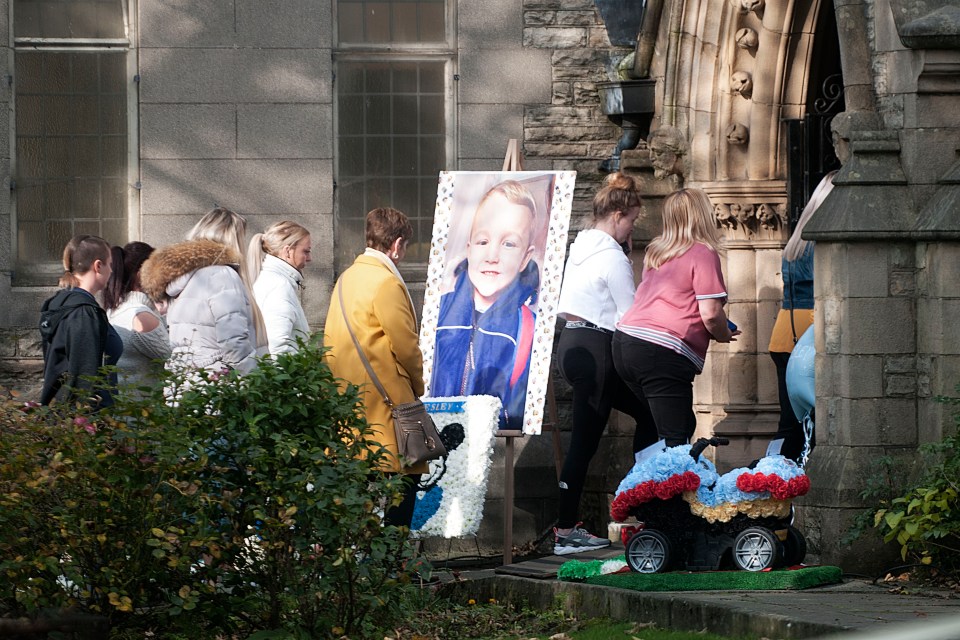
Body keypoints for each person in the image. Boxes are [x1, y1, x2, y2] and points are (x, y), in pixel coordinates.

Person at [553, 172, 660, 555]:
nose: (633, 227)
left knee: (646, 414)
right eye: (632, 220)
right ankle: (567, 530)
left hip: (571, 343)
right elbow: (628, 316)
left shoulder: (580, 247)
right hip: (596, 348)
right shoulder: (611, 256)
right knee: (584, 442)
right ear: (617, 215)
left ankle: (643, 503)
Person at [613, 188, 740, 448]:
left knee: (668, 426)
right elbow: (711, 314)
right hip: (660, 350)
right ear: (703, 215)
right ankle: (666, 489)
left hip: (626, 344)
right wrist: (724, 334)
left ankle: (646, 485)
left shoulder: (656, 252)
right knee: (675, 438)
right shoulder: (703, 253)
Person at [323, 207, 425, 528]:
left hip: (350, 405)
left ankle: (363, 570)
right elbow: (406, 347)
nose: (404, 255)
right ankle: (393, 570)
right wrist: (418, 387)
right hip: (387, 406)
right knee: (401, 494)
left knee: (358, 500)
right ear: (396, 245)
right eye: (405, 247)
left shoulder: (346, 279)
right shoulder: (386, 283)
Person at [431, 180, 540, 430]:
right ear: (468, 249)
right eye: (482, 242)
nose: (492, 256)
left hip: (488, 437)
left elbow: (519, 399)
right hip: (437, 432)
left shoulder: (527, 326)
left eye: (509, 244)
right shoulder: (440, 311)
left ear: (525, 257)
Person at [140, 207, 264, 377]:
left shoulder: (183, 279)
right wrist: (254, 378)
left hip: (185, 380)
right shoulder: (221, 275)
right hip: (216, 382)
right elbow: (233, 341)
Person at [766, 171, 836, 462]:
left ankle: (768, 475)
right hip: (810, 332)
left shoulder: (797, 239)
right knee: (820, 418)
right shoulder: (822, 240)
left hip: (783, 332)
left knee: (789, 421)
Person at [39, 234, 122, 409]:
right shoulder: (83, 313)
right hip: (83, 423)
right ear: (98, 266)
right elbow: (84, 377)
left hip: (68, 418)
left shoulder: (62, 303)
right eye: (110, 265)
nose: (112, 271)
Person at [103, 242, 172, 392]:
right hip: (144, 410)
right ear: (142, 274)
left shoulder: (114, 310)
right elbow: (175, 361)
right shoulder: (141, 316)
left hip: (124, 406)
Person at [248, 221, 312, 356]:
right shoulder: (279, 287)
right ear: (288, 251)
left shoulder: (271, 280)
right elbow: (278, 347)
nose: (309, 258)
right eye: (306, 251)